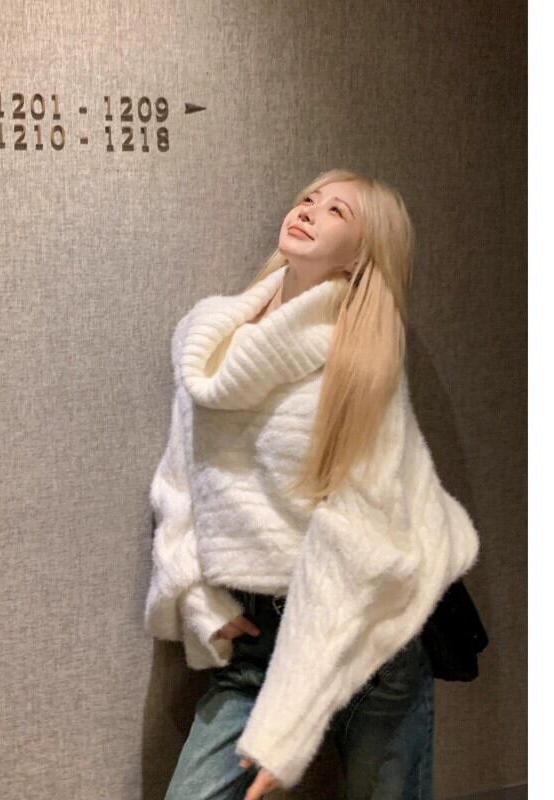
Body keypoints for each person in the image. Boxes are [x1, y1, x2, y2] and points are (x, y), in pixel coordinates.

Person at [144, 168, 480, 799]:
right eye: (307, 199)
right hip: (257, 640)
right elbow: (179, 482)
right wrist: (197, 598)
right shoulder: (208, 343)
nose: (307, 211)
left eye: (336, 211)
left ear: (361, 255)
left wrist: (288, 727)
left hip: (369, 635)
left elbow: (361, 533)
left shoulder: (359, 359)